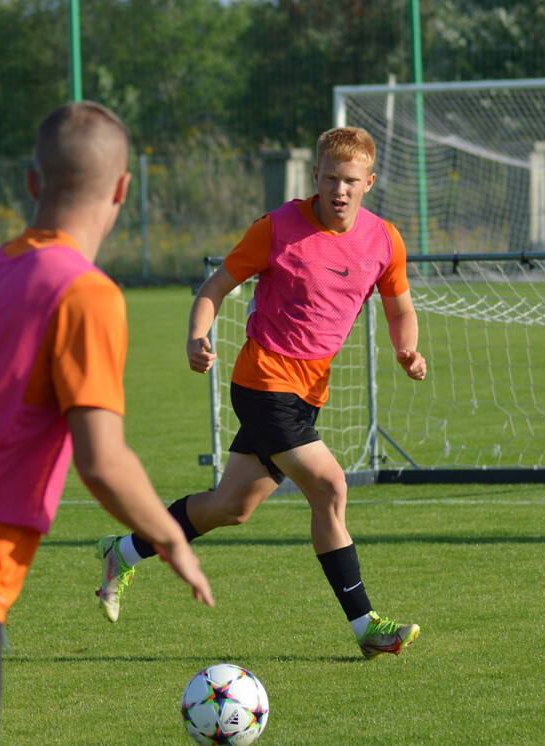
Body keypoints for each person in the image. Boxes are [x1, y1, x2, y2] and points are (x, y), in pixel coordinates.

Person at [0, 101, 214, 745]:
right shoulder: (87, 293)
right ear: (123, 189)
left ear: (30, 182)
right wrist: (173, 539)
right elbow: (102, 462)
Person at [95, 126, 427, 660]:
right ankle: (366, 625)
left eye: (350, 181)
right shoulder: (276, 229)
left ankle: (125, 552)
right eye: (330, 179)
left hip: (308, 393)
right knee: (330, 488)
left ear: (369, 182)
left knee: (231, 506)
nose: (339, 190)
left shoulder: (385, 239)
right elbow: (215, 288)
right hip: (262, 383)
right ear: (314, 177)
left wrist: (406, 349)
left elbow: (401, 308)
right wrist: (196, 336)